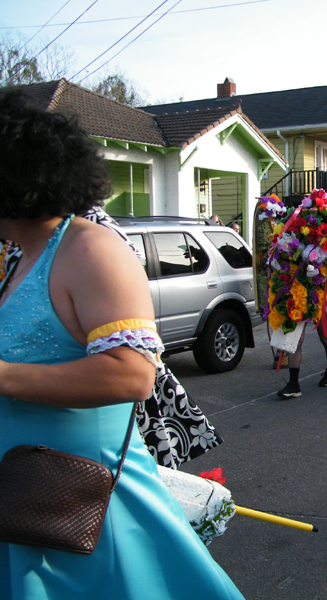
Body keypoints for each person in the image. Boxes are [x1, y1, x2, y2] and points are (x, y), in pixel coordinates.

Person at [0, 92, 245, 600]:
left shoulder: (88, 247)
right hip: (26, 498)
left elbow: (131, 374)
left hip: (83, 506)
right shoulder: (19, 258)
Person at [276, 278, 327, 399]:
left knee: (326, 339)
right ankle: (293, 384)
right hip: (297, 293)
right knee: (296, 339)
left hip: (320, 293)